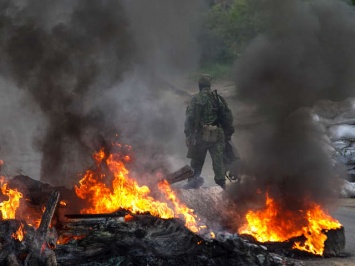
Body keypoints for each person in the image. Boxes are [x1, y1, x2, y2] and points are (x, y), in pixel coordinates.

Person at [184, 74, 234, 189]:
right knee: (218, 161)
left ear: (199, 86)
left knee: (196, 162)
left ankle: (192, 184)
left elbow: (189, 118)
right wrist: (228, 132)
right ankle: (222, 185)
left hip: (200, 134)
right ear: (209, 85)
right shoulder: (218, 98)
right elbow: (228, 116)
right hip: (217, 133)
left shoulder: (196, 99)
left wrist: (188, 134)